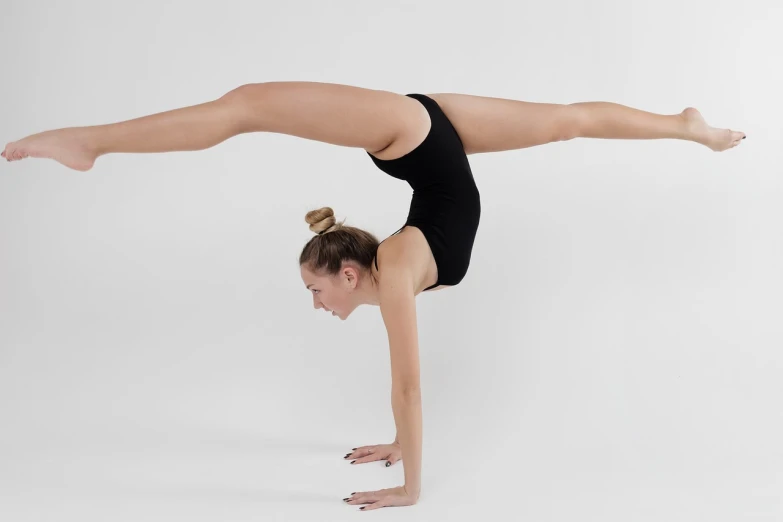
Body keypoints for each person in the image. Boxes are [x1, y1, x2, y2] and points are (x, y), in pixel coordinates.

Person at [1, 81, 746, 510]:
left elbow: (410, 386)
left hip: (414, 136)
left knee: (247, 107)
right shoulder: (393, 260)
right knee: (567, 124)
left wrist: (410, 488)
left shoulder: (394, 266)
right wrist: (399, 447)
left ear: (349, 273)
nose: (316, 304)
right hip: (429, 142)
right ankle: (684, 128)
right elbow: (409, 390)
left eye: (314, 289)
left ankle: (89, 140)